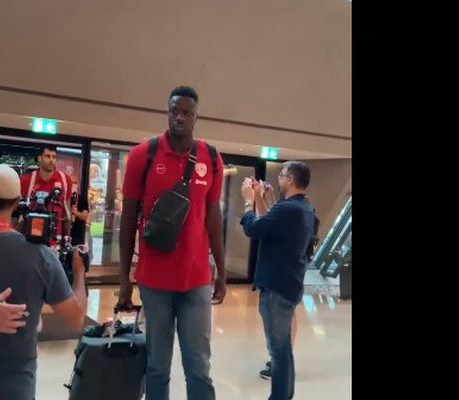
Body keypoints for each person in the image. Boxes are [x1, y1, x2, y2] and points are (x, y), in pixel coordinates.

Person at [117, 86, 226, 400]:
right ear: (167, 112)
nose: (179, 118)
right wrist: (124, 279)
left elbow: (213, 218)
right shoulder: (143, 155)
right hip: (155, 281)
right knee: (157, 367)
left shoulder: (212, 158)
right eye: (174, 111)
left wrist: (221, 270)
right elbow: (128, 218)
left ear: (196, 117)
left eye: (186, 113)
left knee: (199, 366)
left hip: (196, 280)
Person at [0, 164, 87, 400]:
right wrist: (79, 272)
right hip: (18, 389)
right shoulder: (42, 257)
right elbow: (75, 319)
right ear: (17, 203)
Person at [240, 161, 315, 400]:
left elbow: (254, 229)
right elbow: (270, 224)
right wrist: (262, 198)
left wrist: (248, 201)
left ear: (290, 179)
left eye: (282, 175)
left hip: (277, 286)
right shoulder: (302, 207)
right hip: (289, 283)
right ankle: (285, 394)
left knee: (278, 350)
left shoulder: (289, 209)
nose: (279, 179)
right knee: (283, 349)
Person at [19, 145, 72, 245]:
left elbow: (67, 212)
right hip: (31, 240)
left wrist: (67, 240)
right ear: (39, 158)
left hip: (55, 241)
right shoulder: (27, 180)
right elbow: (20, 212)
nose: (51, 160)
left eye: (54, 157)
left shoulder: (65, 179)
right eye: (48, 156)